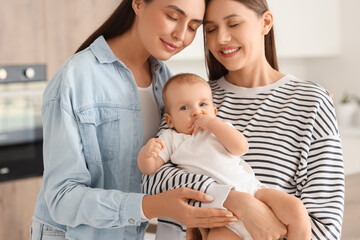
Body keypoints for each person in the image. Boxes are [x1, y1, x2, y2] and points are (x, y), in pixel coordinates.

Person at [29, 1, 238, 239]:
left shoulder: (167, 84)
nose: (180, 35)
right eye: (172, 16)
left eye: (192, 27)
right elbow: (61, 199)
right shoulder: (77, 77)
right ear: (138, 3)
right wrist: (152, 206)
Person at [142, 0, 345, 239]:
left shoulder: (311, 101)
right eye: (211, 29)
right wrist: (232, 200)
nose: (221, 39)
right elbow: (152, 183)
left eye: (234, 23)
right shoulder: (192, 99)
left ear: (266, 22)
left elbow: (325, 225)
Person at [138, 73, 311, 240]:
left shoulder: (219, 130)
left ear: (214, 111)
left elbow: (240, 147)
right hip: (221, 215)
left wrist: (213, 124)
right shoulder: (171, 138)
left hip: (254, 192)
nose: (196, 112)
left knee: (296, 208)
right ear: (170, 121)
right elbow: (149, 169)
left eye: (203, 104)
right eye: (185, 107)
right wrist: (146, 155)